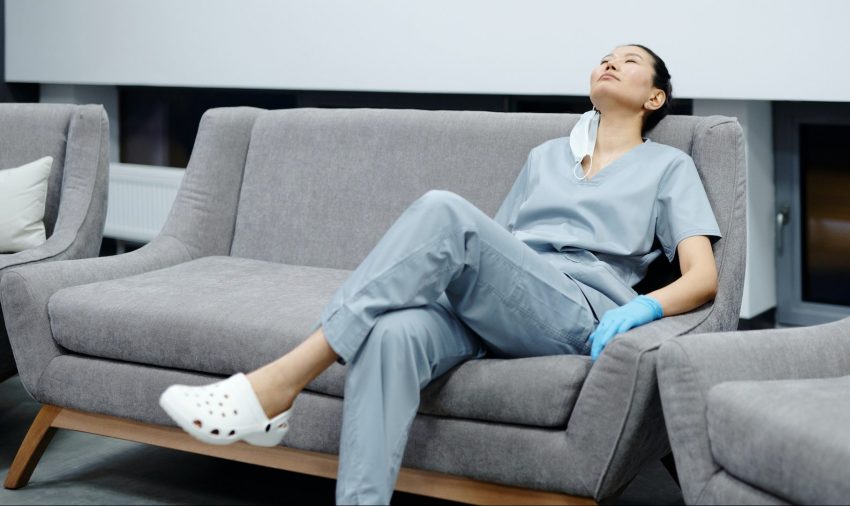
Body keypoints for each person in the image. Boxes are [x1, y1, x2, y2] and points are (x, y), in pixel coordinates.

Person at [159, 44, 720, 504]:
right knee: (392, 333)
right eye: (604, 57)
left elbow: (702, 277)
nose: (609, 62)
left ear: (654, 96)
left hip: (574, 307)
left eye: (628, 60)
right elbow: (497, 245)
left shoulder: (668, 166)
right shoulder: (546, 157)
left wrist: (641, 307)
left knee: (443, 209)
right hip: (507, 299)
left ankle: (277, 385)